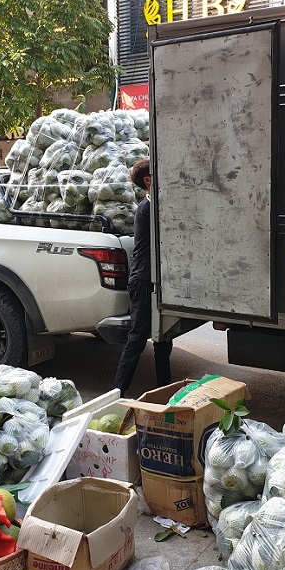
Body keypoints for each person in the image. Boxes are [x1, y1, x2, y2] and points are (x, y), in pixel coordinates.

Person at [113, 159, 172, 397]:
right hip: (143, 280)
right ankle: (117, 391)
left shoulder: (153, 206)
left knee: (163, 338)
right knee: (138, 337)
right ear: (148, 180)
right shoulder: (147, 209)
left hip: (154, 280)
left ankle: (164, 390)